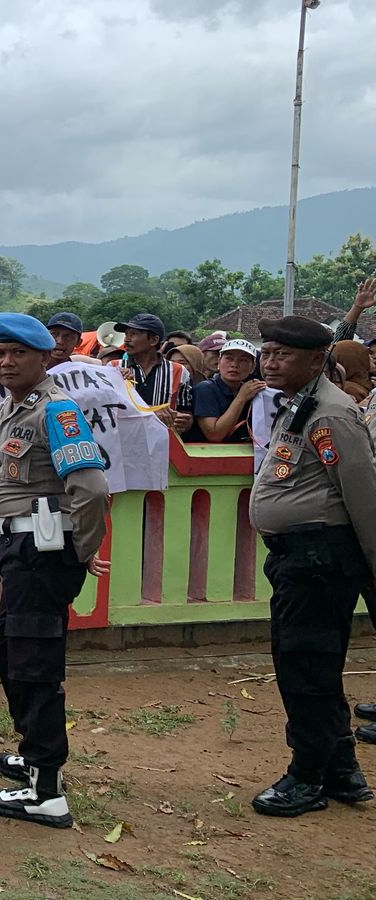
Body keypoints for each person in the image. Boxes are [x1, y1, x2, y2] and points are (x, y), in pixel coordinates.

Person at [0, 312, 111, 828]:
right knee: (10, 653)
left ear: (45, 357)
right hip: (19, 551)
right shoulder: (11, 409)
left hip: (44, 556)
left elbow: (92, 490)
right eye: (0, 353)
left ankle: (47, 791)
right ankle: (35, 755)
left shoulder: (57, 412)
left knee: (34, 665)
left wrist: (78, 551)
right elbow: (7, 492)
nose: (5, 362)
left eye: (18, 354)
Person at [247, 315, 376, 817]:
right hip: (299, 559)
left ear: (316, 359)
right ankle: (342, 770)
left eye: (283, 354)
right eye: (269, 351)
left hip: (320, 560)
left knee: (305, 667)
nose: (270, 361)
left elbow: (362, 495)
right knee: (309, 664)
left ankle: (307, 776)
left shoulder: (331, 415)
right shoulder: (300, 406)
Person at [109, 313, 191, 433]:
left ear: (153, 340)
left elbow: (186, 412)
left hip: (163, 444)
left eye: (134, 334)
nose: (126, 339)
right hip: (124, 443)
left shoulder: (179, 371)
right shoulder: (113, 368)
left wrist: (183, 421)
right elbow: (107, 410)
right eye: (126, 334)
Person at [192, 340, 264, 443]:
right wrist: (241, 398)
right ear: (219, 362)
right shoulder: (205, 388)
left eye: (243, 360)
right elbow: (214, 435)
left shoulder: (254, 390)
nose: (234, 365)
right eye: (229, 359)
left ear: (252, 367)